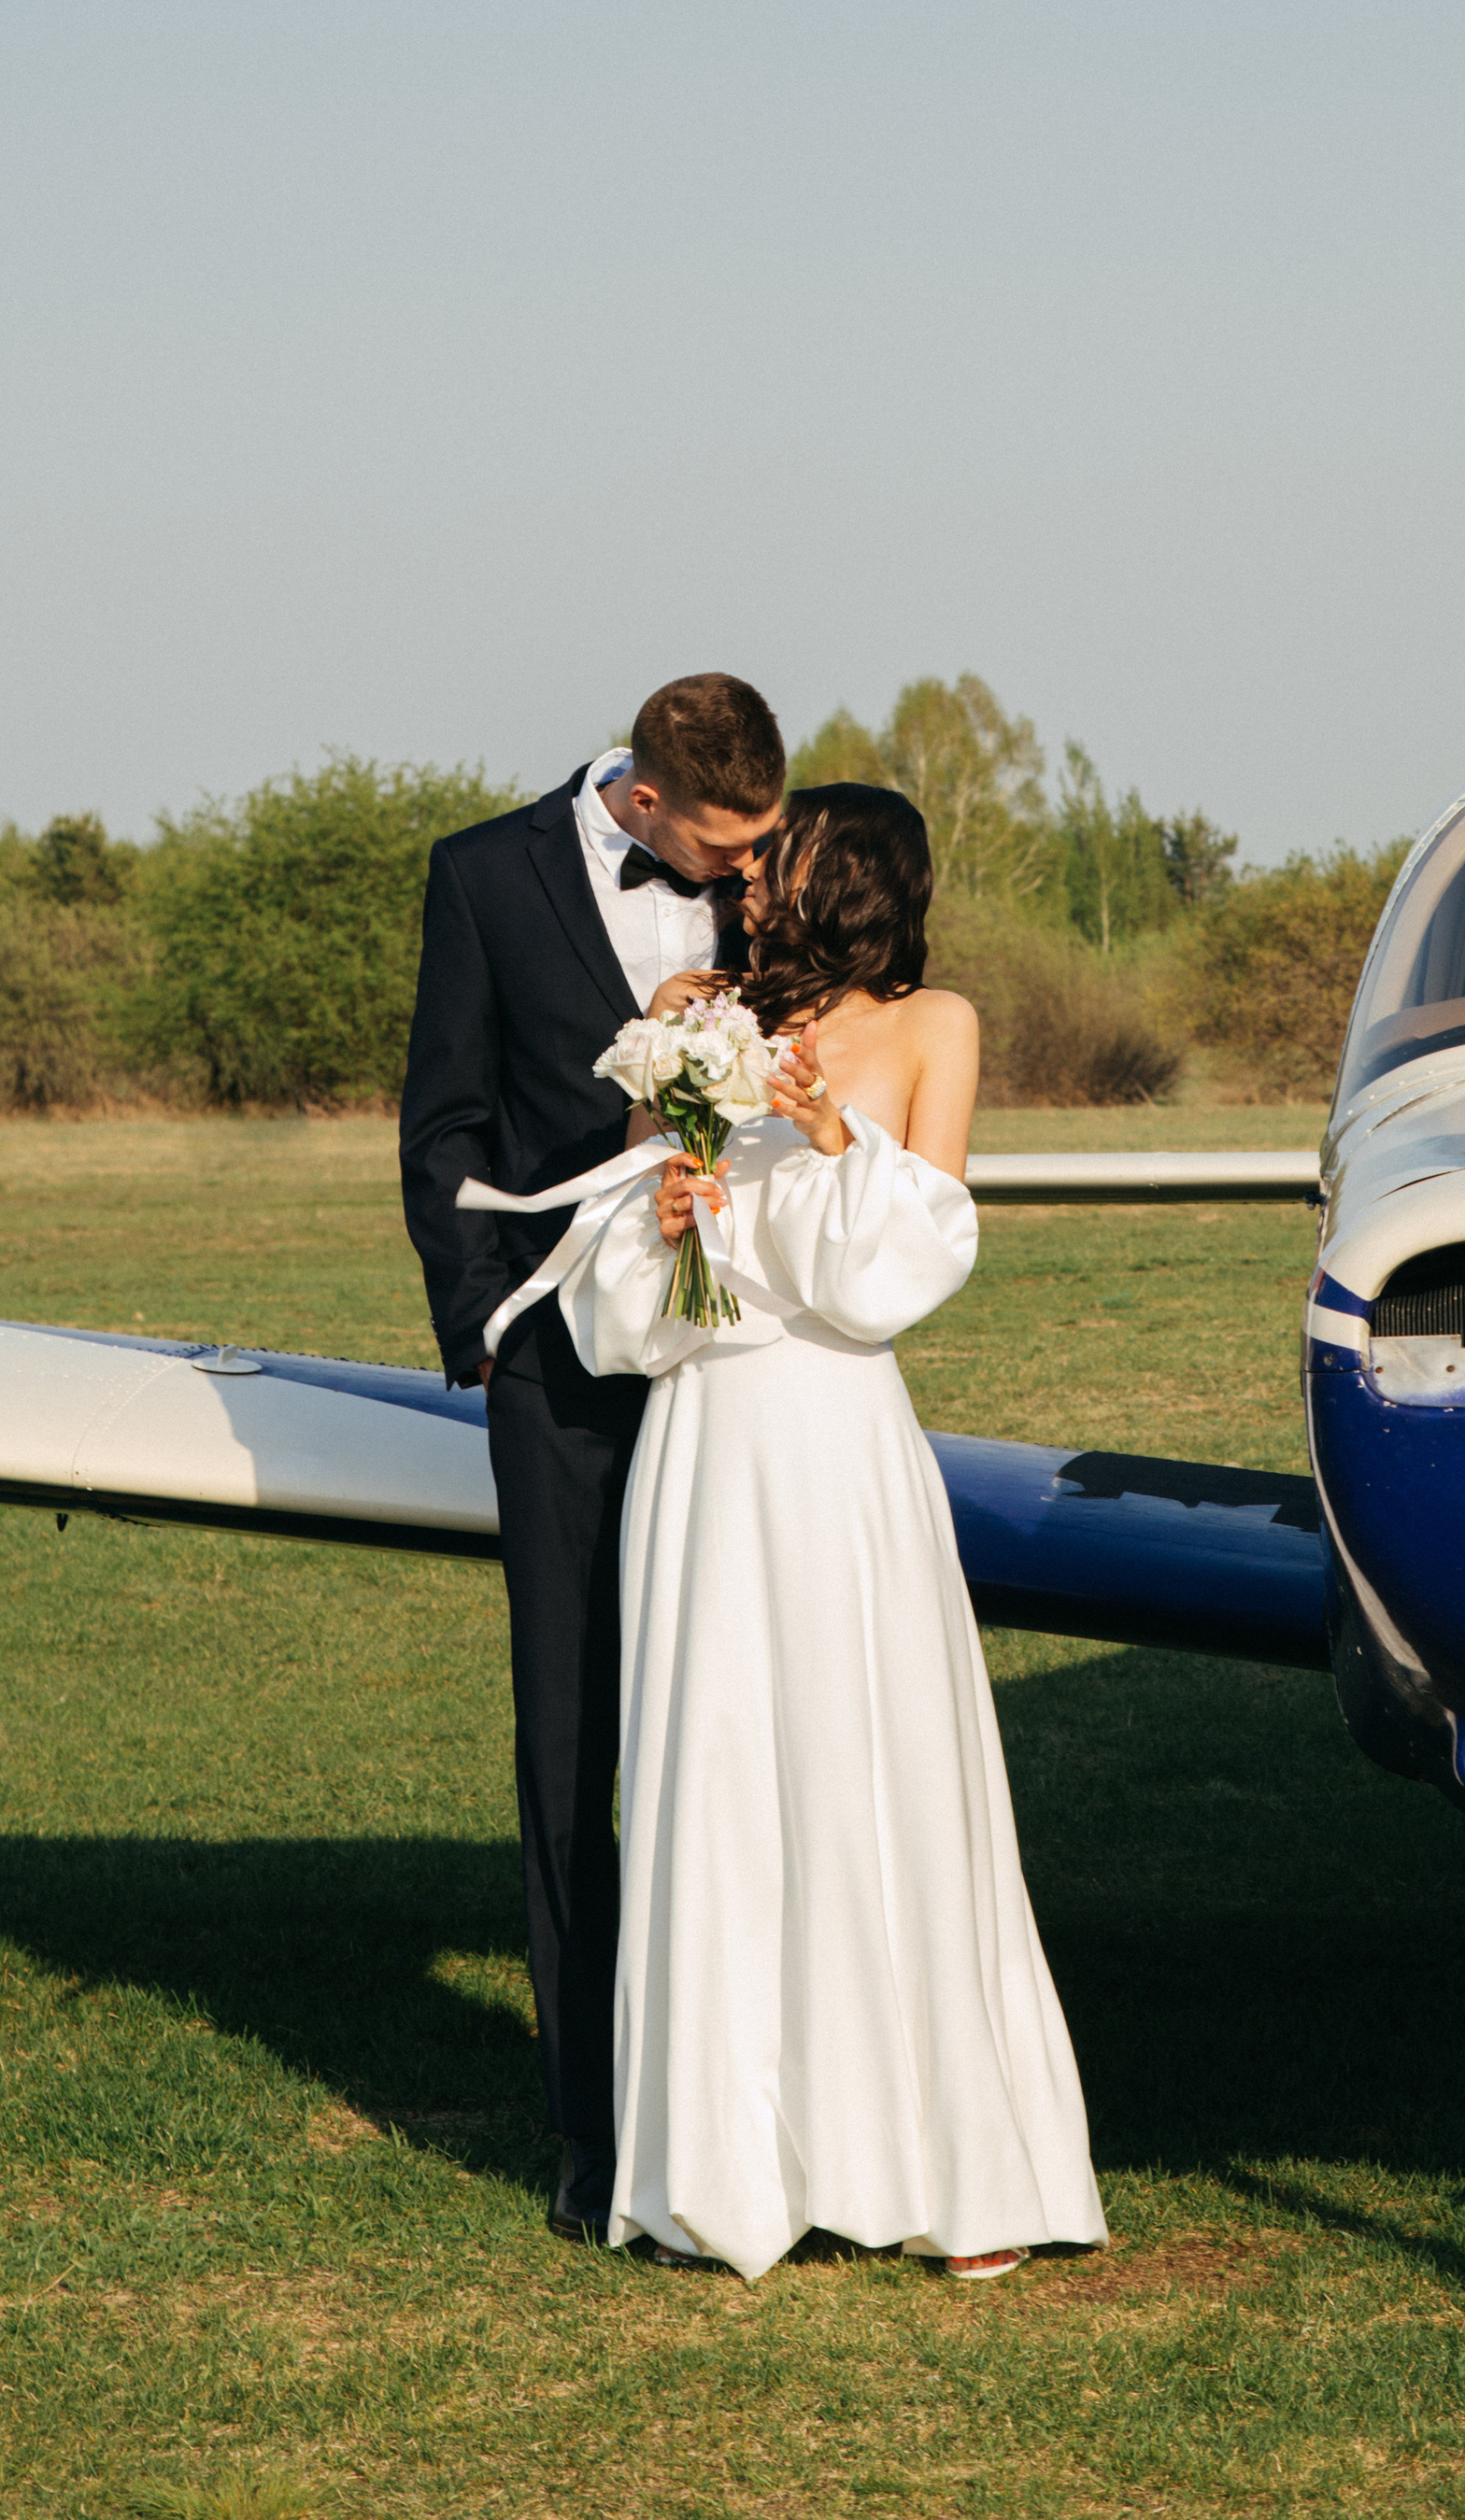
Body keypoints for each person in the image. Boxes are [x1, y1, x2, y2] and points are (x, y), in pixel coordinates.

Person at [483, 781, 1107, 2282]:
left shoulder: (933, 1027)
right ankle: (728, 2173)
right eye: (754, 865)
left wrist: (833, 1136)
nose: (754, 884)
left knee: (868, 1768)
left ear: (863, 877)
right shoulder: (692, 1009)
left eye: (787, 861)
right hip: (706, 1445)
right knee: (723, 1775)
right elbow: (615, 1294)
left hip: (837, 1445)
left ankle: (952, 2173)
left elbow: (915, 1263)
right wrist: (668, 1216)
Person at [398, 673, 789, 2245]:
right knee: (570, 1734)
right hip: (556, 1368)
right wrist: (487, 1325)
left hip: (735, 1369)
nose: (744, 875)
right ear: (642, 803)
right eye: (720, 845)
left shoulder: (775, 887)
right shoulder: (481, 876)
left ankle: (748, 2102)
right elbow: (445, 1121)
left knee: (733, 1729)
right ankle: (587, 2123)